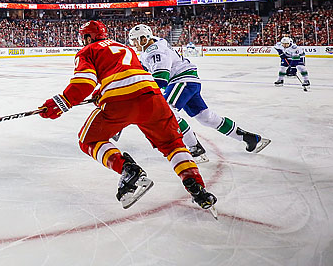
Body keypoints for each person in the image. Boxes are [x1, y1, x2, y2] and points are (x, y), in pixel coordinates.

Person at [38, 21, 217, 213]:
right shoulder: (123, 47)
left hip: (119, 100)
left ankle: (127, 169)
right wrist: (102, 89)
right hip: (152, 96)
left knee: (88, 139)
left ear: (88, 37)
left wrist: (59, 103)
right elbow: (129, 73)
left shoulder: (88, 50)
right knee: (173, 144)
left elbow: (83, 83)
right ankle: (197, 188)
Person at [129, 24, 270, 160]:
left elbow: (160, 80)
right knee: (206, 117)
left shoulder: (155, 51)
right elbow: (145, 68)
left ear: (144, 39)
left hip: (181, 81)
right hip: (189, 81)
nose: (133, 43)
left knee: (166, 110)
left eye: (135, 40)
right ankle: (250, 138)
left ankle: (195, 148)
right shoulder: (155, 44)